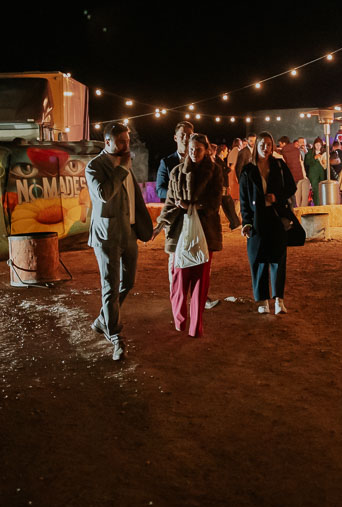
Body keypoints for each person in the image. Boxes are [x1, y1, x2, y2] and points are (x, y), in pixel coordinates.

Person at [85, 123, 154, 361]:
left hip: (129, 234)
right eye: (121, 142)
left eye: (127, 141)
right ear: (107, 142)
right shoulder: (94, 166)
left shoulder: (125, 164)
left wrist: (144, 226)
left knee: (129, 282)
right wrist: (122, 169)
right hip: (107, 236)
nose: (126, 146)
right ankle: (115, 336)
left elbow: (133, 196)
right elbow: (104, 194)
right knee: (110, 287)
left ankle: (103, 319)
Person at [156, 134, 223, 337]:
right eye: (191, 149)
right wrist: (160, 224)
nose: (194, 153)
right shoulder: (177, 172)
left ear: (206, 150)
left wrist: (192, 206)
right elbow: (169, 203)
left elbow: (214, 204)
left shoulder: (214, 172)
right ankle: (180, 320)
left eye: (198, 149)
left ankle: (196, 325)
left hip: (205, 232)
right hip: (180, 232)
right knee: (179, 278)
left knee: (200, 281)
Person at [238, 131, 296, 314]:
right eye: (262, 144)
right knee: (259, 260)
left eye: (269, 144)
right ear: (256, 147)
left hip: (276, 218)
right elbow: (244, 200)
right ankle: (262, 300)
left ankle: (279, 299)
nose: (265, 148)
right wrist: (246, 222)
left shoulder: (279, 165)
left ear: (272, 147)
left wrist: (276, 197)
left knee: (278, 259)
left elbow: (291, 187)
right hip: (257, 220)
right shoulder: (248, 171)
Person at [155, 121, 194, 202]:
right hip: (173, 208)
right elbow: (160, 190)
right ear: (175, 138)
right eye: (182, 135)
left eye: (189, 135)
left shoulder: (197, 161)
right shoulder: (166, 162)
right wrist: (177, 195)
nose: (186, 138)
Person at [279, 135, 311, 208]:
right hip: (300, 175)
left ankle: (294, 209)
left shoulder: (284, 151)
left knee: (294, 195)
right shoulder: (297, 150)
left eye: (280, 144)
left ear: (284, 143)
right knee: (297, 194)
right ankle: (297, 209)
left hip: (293, 176)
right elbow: (301, 163)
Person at [215, 142, 241, 229]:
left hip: (224, 187)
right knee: (228, 205)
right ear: (222, 151)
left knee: (228, 206)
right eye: (226, 151)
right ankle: (235, 223)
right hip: (222, 187)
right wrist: (231, 168)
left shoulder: (220, 161)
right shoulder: (217, 161)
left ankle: (234, 223)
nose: (227, 153)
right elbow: (221, 172)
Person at [304, 137, 329, 204]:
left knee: (322, 189)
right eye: (316, 145)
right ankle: (317, 204)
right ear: (314, 145)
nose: (318, 147)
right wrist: (314, 158)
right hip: (313, 174)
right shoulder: (310, 152)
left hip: (322, 174)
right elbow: (307, 162)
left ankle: (322, 203)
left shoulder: (324, 152)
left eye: (319, 145)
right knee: (315, 190)